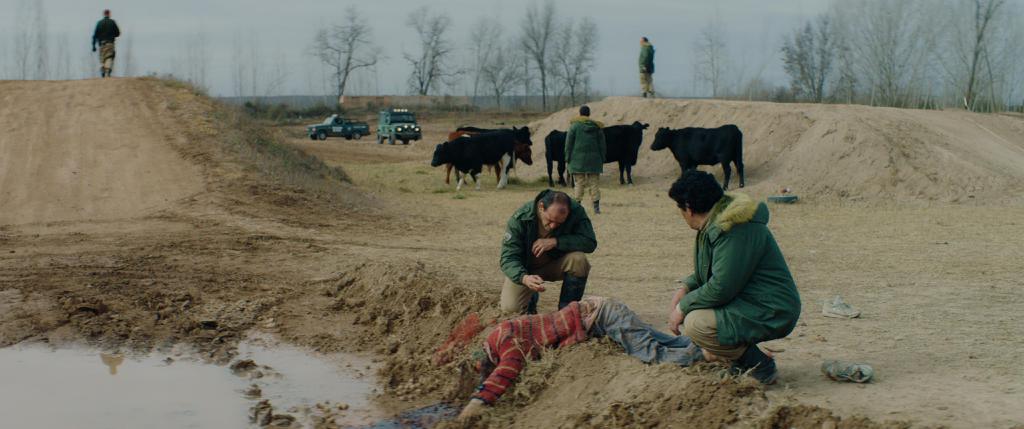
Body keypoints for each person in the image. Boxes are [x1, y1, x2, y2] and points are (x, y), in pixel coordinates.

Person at [457, 296, 703, 419]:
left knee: (651, 353)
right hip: (604, 308)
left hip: (605, 316)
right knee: (663, 339)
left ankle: (702, 355)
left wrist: (479, 401)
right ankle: (708, 345)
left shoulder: (507, 342)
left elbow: (508, 370)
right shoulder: (500, 334)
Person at [664, 170, 801, 384]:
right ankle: (743, 360)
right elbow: (720, 269)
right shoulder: (718, 222)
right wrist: (686, 287)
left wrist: (682, 308)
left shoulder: (733, 229)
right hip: (752, 301)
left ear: (689, 209)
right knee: (700, 315)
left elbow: (721, 287)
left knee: (696, 324)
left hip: (772, 307)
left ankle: (760, 366)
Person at [499, 190, 596, 314]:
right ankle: (530, 299)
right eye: (550, 220)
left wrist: (556, 241)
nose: (553, 226)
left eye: (559, 223)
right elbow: (508, 258)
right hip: (526, 271)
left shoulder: (576, 211)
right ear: (541, 207)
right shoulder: (521, 218)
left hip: (554, 264)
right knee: (510, 308)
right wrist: (524, 278)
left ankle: (567, 313)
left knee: (579, 260)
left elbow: (589, 242)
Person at [564, 105, 606, 214]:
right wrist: (602, 158)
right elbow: (602, 145)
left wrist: (567, 158)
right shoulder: (597, 127)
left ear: (580, 113)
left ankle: (577, 207)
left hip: (577, 160)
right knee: (594, 183)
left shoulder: (574, 127)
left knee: (579, 183)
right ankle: (596, 208)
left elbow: (568, 144)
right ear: (589, 114)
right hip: (594, 160)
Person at [92, 9, 121, 78]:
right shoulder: (112, 22)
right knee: (109, 57)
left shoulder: (99, 23)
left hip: (101, 44)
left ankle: (102, 67)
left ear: (103, 14)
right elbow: (118, 33)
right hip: (110, 43)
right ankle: (107, 70)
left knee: (102, 58)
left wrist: (93, 45)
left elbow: (94, 35)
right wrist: (113, 34)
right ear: (109, 14)